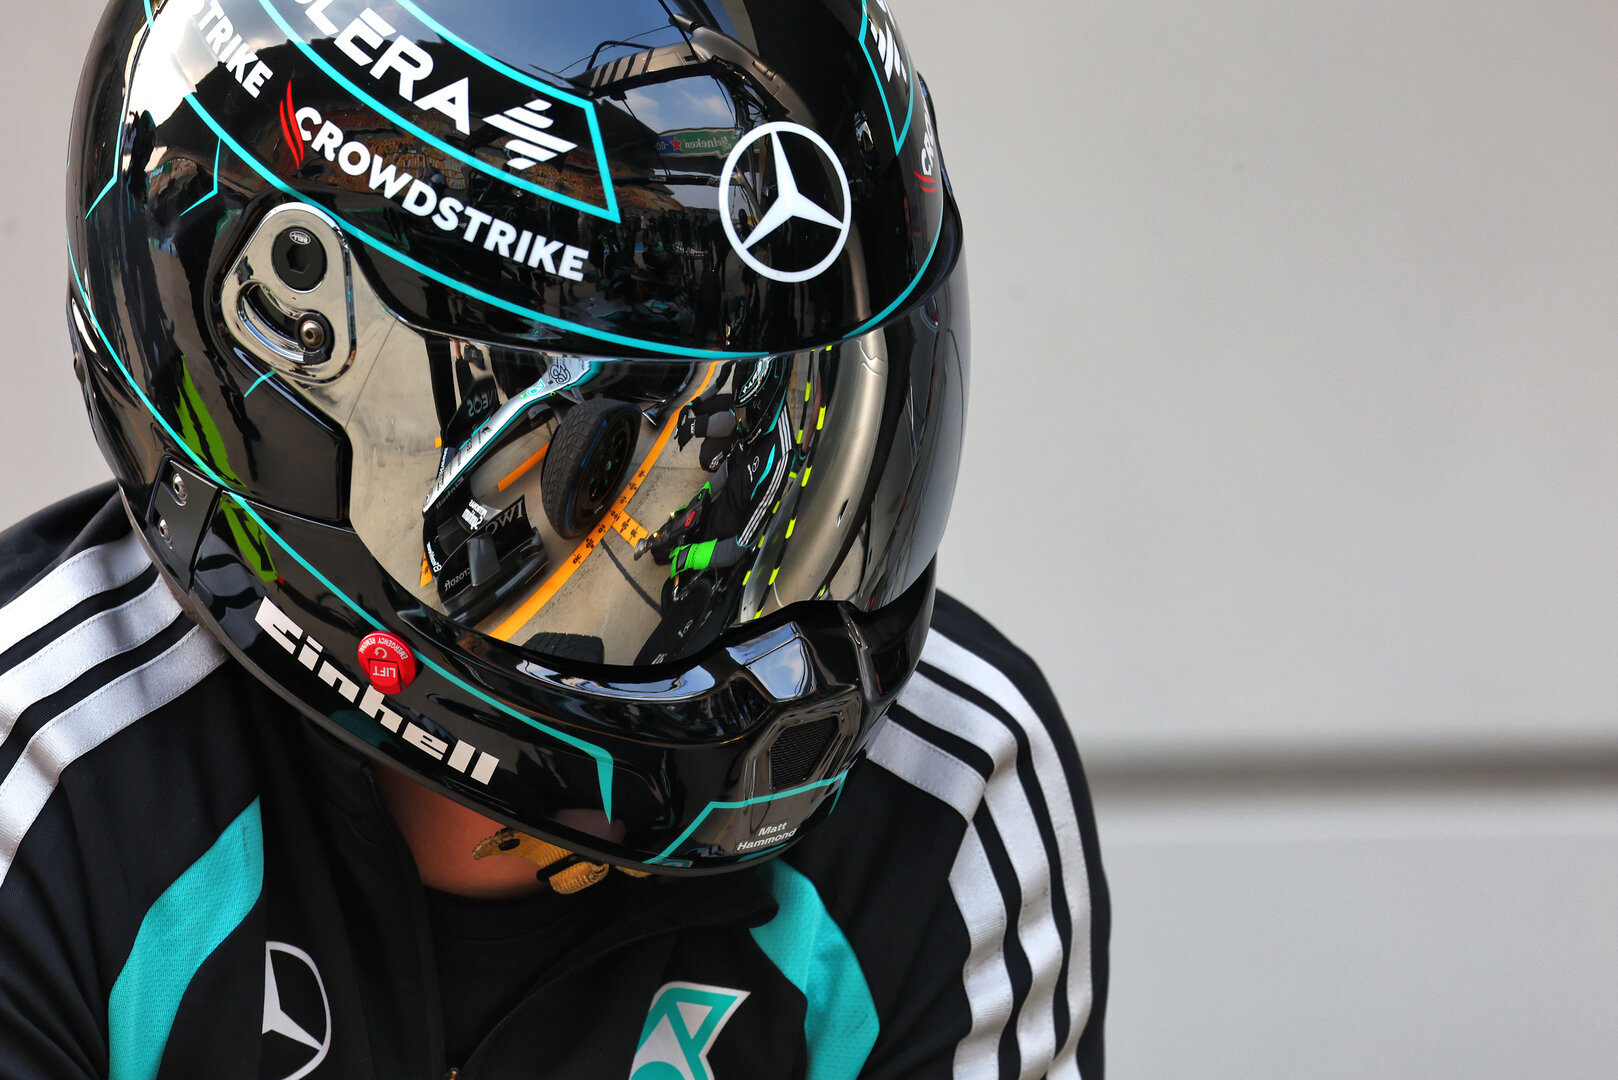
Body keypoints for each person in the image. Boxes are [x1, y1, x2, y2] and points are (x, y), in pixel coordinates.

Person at [2, 2, 1109, 1077]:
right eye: (611, 453)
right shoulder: (44, 778)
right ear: (294, 326)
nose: (733, 566)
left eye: (795, 455)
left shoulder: (948, 792)